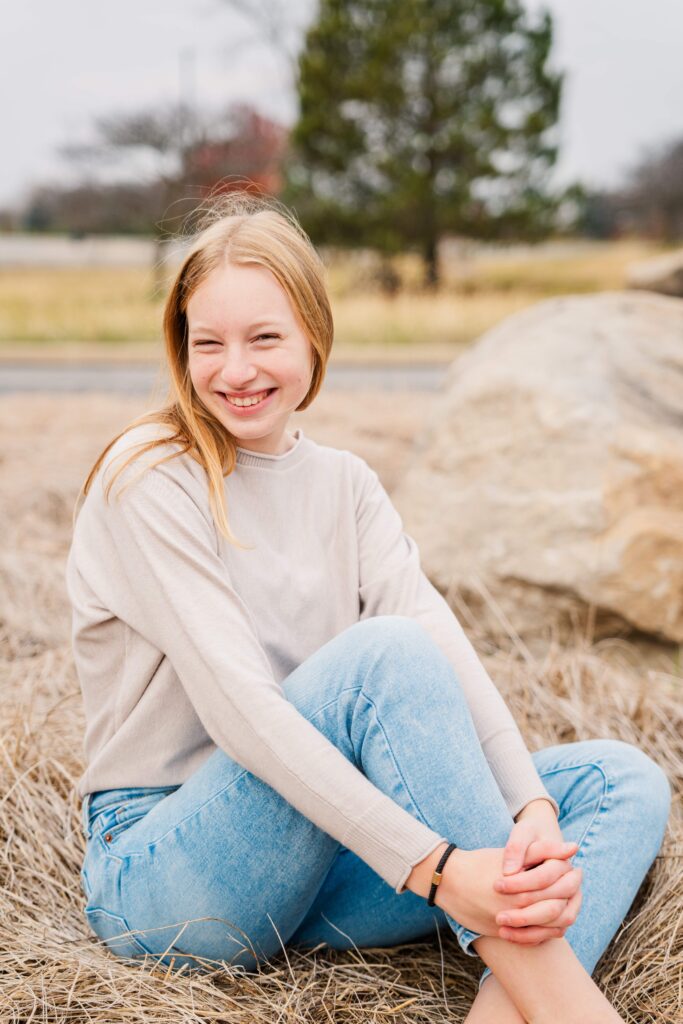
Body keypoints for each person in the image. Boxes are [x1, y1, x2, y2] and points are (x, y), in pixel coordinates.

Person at [67, 192, 670, 1024]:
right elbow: (244, 714)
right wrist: (436, 868)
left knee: (618, 780)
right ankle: (570, 1010)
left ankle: (502, 1010)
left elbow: (441, 643)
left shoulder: (345, 485)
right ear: (181, 349)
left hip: (325, 856)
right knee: (379, 658)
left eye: (264, 338)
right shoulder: (149, 474)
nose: (234, 370)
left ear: (314, 332)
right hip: (172, 869)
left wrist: (529, 810)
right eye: (207, 343)